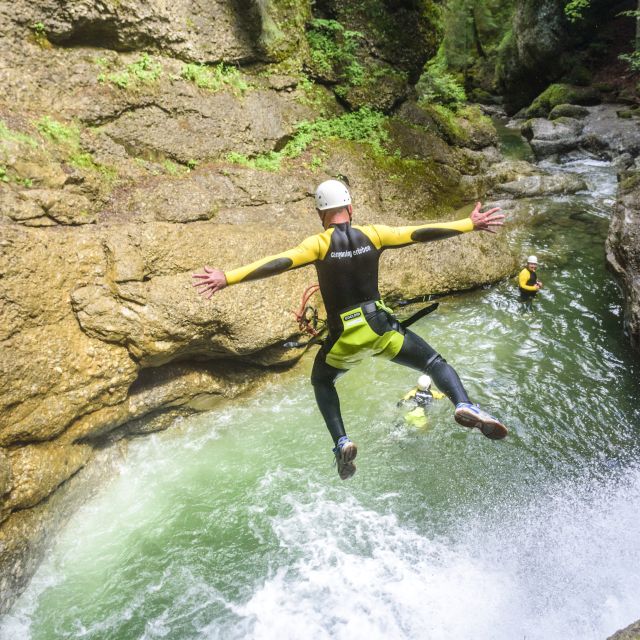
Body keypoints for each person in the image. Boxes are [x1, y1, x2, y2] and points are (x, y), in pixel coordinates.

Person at [193, 179, 509, 481]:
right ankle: (464, 404)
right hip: (381, 330)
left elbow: (278, 262)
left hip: (344, 336)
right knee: (433, 364)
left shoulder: (317, 244)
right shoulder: (375, 234)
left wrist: (228, 278)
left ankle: (342, 441)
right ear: (351, 207)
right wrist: (469, 224)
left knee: (321, 380)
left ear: (320, 214)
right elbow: (419, 233)